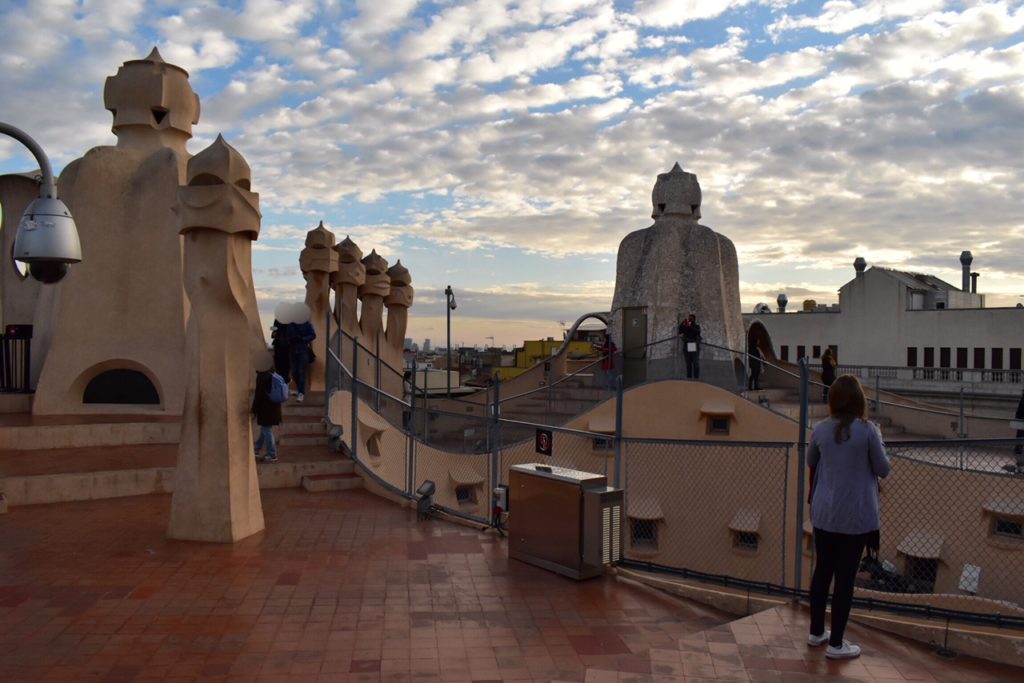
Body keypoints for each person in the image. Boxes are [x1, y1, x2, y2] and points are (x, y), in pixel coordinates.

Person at [806, 374, 891, 660]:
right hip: (855, 515)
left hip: (825, 513)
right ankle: (837, 644)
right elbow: (883, 469)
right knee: (845, 579)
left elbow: (810, 461)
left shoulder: (820, 429)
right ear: (858, 400)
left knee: (822, 573)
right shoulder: (868, 431)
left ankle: (816, 632)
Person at [251, 369, 283, 463]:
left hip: (266, 409)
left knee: (266, 429)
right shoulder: (273, 374)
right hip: (275, 407)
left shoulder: (262, 376)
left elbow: (258, 395)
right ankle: (256, 449)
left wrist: (254, 411)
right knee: (265, 428)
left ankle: (272, 454)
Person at [286, 319, 316, 402]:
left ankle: (301, 393)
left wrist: (303, 339)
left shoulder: (306, 324)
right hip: (293, 351)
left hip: (303, 351)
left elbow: (313, 335)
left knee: (301, 371)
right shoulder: (291, 325)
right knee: (294, 372)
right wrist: (291, 339)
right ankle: (299, 389)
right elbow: (287, 335)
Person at [678, 314, 702, 379]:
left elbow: (697, 332)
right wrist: (682, 324)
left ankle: (696, 378)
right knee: (688, 363)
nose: (689, 320)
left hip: (693, 345)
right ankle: (689, 377)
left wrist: (689, 326)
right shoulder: (685, 326)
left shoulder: (697, 326)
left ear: (694, 319)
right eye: (689, 318)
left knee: (695, 362)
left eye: (691, 319)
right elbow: (679, 331)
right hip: (686, 345)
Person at [270, 319, 290, 384]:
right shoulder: (277, 320)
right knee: (280, 367)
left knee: (284, 367)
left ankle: (284, 383)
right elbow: (272, 333)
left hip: (286, 347)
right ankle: (283, 384)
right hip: (279, 346)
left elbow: (273, 333)